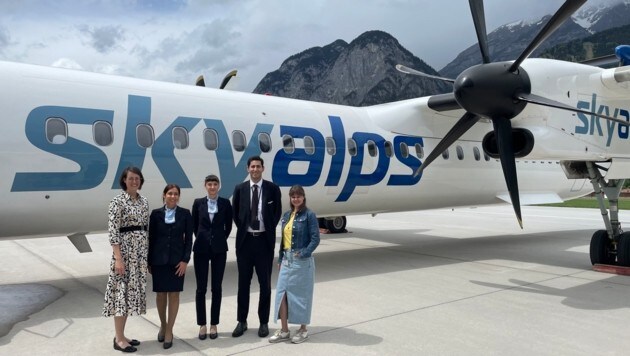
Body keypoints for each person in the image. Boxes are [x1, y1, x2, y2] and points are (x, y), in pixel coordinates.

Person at [232, 156, 282, 338]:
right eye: (252, 167)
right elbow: (236, 214)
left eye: (258, 166)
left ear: (263, 168)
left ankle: (263, 322)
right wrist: (247, 228)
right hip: (245, 243)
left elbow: (276, 213)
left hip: (264, 242)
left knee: (265, 285)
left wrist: (264, 229)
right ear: (247, 169)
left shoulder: (272, 189)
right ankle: (242, 321)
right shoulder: (240, 189)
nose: (255, 169)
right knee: (243, 284)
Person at [103, 166, 149, 353]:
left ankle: (122, 335)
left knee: (130, 297)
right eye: (130, 178)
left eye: (137, 178)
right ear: (124, 180)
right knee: (121, 296)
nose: (134, 181)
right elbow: (113, 231)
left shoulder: (143, 201)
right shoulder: (117, 201)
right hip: (124, 254)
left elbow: (146, 228)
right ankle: (119, 339)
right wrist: (118, 258)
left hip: (139, 255)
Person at [268, 185, 320, 344]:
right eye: (293, 196)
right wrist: (280, 258)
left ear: (303, 197)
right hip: (286, 260)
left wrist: (303, 253)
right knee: (281, 294)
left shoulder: (309, 215)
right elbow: (284, 241)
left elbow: (315, 239)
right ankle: (284, 330)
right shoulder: (286, 215)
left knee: (302, 296)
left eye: (298, 196)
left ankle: (303, 330)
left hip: (301, 261)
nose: (296, 199)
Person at [148, 184, 193, 349]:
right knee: (160, 296)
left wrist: (185, 260)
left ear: (178, 197)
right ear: (164, 195)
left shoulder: (185, 214)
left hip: (177, 262)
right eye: (170, 193)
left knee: (174, 295)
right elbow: (151, 239)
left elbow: (189, 240)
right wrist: (149, 261)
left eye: (176, 194)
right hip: (159, 260)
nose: (173, 196)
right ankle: (163, 324)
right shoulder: (155, 214)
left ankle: (169, 331)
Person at [192, 175, 233, 340]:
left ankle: (214, 323)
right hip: (201, 249)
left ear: (219, 186)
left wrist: (218, 238)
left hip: (219, 250)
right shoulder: (197, 203)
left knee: (217, 288)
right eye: (209, 184)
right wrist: (204, 238)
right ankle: (202, 324)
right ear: (205, 186)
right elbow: (195, 225)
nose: (212, 187)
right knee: (201, 288)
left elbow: (228, 226)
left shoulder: (225, 203)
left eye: (215, 184)